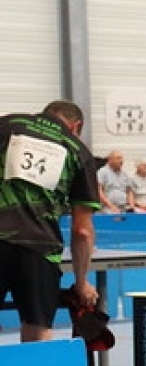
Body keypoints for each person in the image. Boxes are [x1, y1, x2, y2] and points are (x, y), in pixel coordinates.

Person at [0, 100, 101, 343]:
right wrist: (81, 282)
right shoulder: (78, 151)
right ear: (76, 126)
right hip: (40, 249)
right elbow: (82, 230)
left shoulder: (8, 124)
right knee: (38, 327)